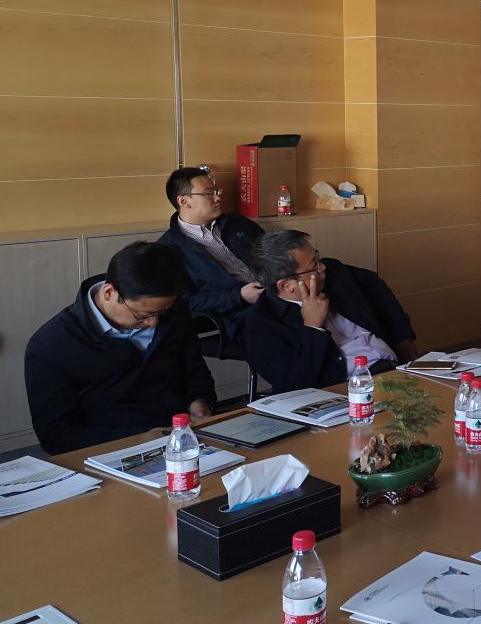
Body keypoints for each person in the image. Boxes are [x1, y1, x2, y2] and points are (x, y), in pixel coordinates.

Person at [24, 242, 217, 455]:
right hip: (110, 450)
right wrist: (140, 438)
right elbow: (57, 437)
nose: (154, 323)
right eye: (142, 316)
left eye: (161, 313)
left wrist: (199, 400)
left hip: (181, 438)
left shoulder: (172, 310)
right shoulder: (51, 345)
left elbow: (194, 368)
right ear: (109, 293)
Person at [245, 230, 419, 393]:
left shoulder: (335, 272)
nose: (322, 268)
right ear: (286, 285)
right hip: (349, 392)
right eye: (314, 266)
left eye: (317, 258)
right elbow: (294, 386)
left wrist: (402, 336)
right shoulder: (261, 325)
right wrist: (313, 328)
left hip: (394, 368)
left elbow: (375, 286)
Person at [157, 166, 264, 340]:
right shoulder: (168, 249)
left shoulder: (237, 223)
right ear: (184, 201)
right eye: (208, 193)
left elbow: (272, 251)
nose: (217, 197)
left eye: (216, 191)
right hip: (238, 313)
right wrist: (239, 296)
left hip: (274, 292)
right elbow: (186, 301)